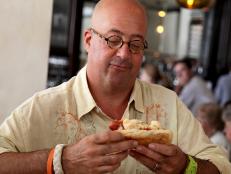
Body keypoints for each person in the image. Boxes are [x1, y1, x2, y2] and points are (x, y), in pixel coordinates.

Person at [0, 0, 230, 173]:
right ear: (89, 40)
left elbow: (221, 167)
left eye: (136, 44)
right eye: (113, 39)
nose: (124, 54)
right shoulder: (45, 106)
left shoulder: (169, 104)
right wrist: (60, 160)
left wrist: (185, 166)